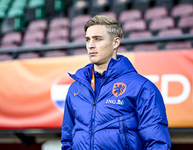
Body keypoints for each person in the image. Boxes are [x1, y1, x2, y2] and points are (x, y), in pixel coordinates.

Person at [61, 15, 171, 150]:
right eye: (88, 39)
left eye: (98, 39)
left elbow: (157, 144)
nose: (90, 45)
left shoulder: (142, 87)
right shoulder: (76, 88)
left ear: (116, 42)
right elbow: (67, 140)